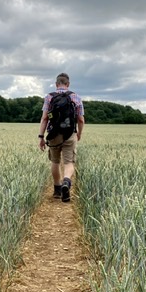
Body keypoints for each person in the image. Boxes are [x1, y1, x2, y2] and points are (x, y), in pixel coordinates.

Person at [38, 73, 85, 202]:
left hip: (53, 134)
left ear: (56, 84)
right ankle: (67, 182)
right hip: (70, 133)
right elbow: (80, 119)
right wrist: (79, 133)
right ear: (68, 84)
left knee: (55, 161)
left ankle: (57, 189)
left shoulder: (49, 97)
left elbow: (44, 118)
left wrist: (41, 137)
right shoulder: (76, 97)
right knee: (69, 162)